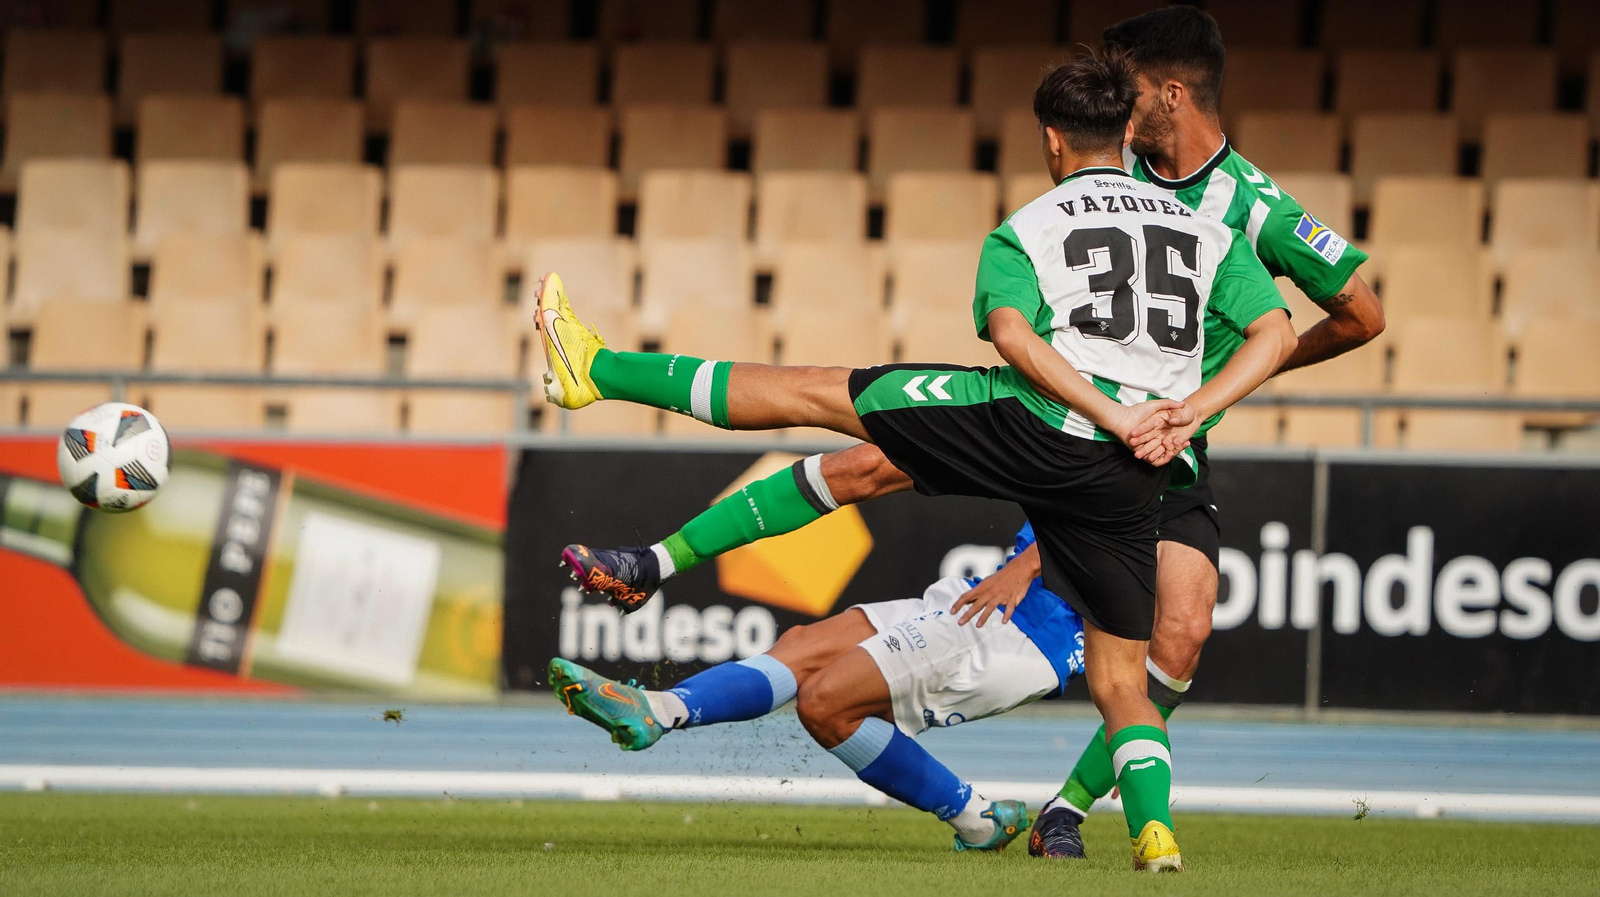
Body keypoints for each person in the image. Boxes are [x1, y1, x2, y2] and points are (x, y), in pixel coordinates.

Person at [539, 49, 1299, 871]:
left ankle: (600, 372)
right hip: (1130, 470)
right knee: (1119, 680)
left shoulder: (1032, 227)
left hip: (1039, 431)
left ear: (1051, 142)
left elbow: (1011, 335)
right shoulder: (1204, 230)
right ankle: (1154, 836)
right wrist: (1189, 411)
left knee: (819, 392)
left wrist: (1104, 407)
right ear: (1125, 131)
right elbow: (1279, 332)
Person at [1008, 6, 1385, 858]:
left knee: (1182, 635)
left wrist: (1219, 391)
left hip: (1167, 448)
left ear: (1172, 94)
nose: (1115, 102)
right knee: (1020, 645)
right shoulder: (1111, 175)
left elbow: (1362, 312)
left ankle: (1065, 809)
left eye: (1130, 89)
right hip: (1077, 432)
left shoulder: (1250, 204)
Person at [550, 523, 1081, 853]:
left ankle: (976, 819)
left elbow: (1123, 526)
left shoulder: (1147, 435)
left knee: (826, 702)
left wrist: (1031, 565)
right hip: (977, 594)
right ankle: (660, 709)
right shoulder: (1100, 408)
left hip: (1020, 629)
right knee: (803, 646)